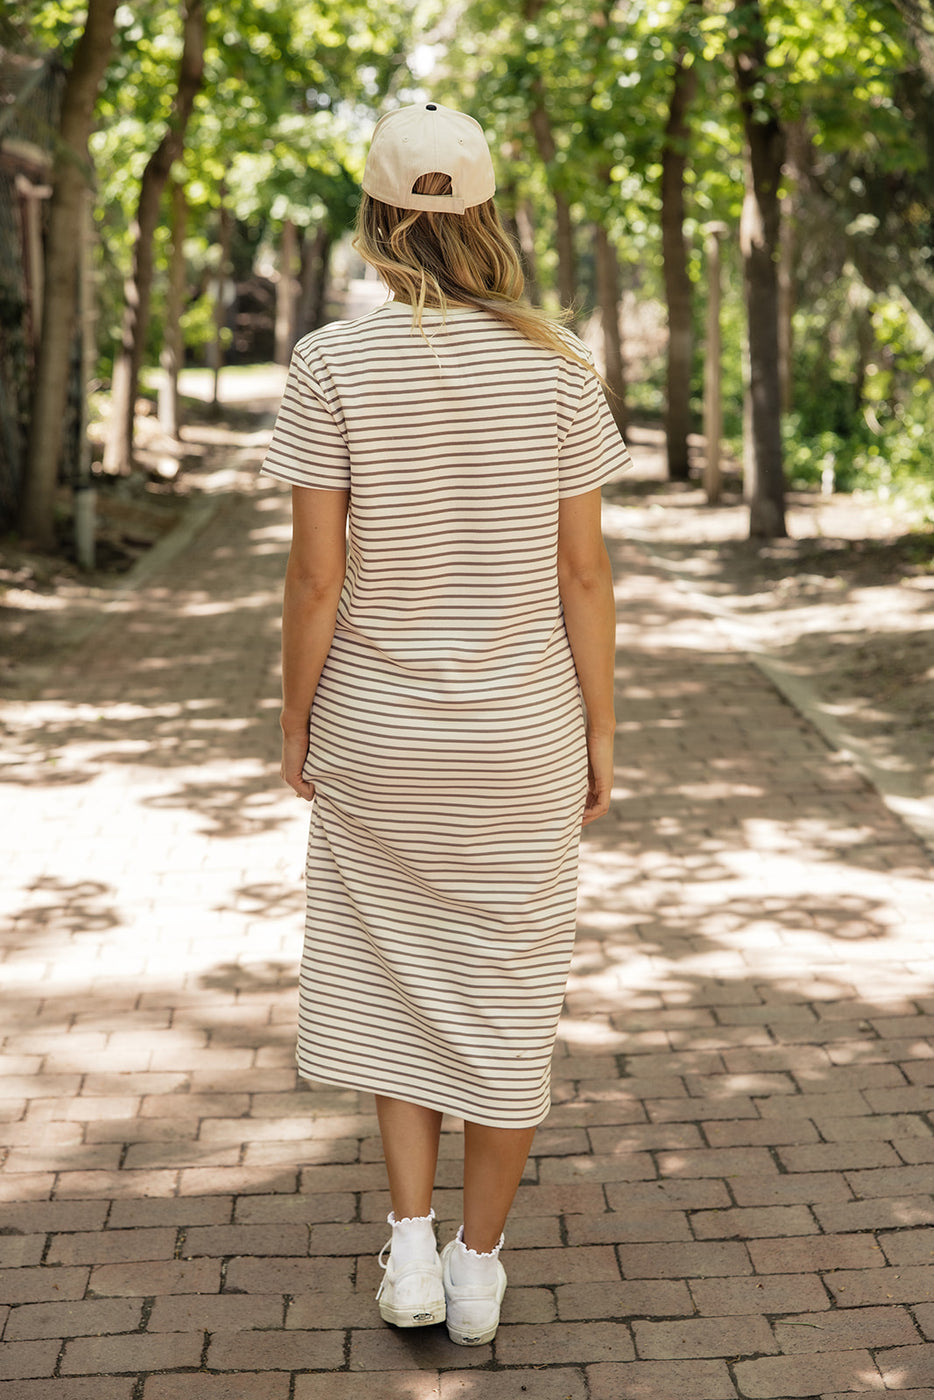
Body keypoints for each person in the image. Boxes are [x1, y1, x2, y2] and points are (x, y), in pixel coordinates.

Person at [261, 100, 630, 1347]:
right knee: (506, 996)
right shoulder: (561, 362)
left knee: (394, 983)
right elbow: (584, 576)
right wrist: (601, 731)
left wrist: (295, 721)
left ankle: (408, 1253)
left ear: (375, 222)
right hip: (521, 736)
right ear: (484, 213)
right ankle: (480, 1271)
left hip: (377, 732)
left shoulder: (329, 363)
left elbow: (317, 577)